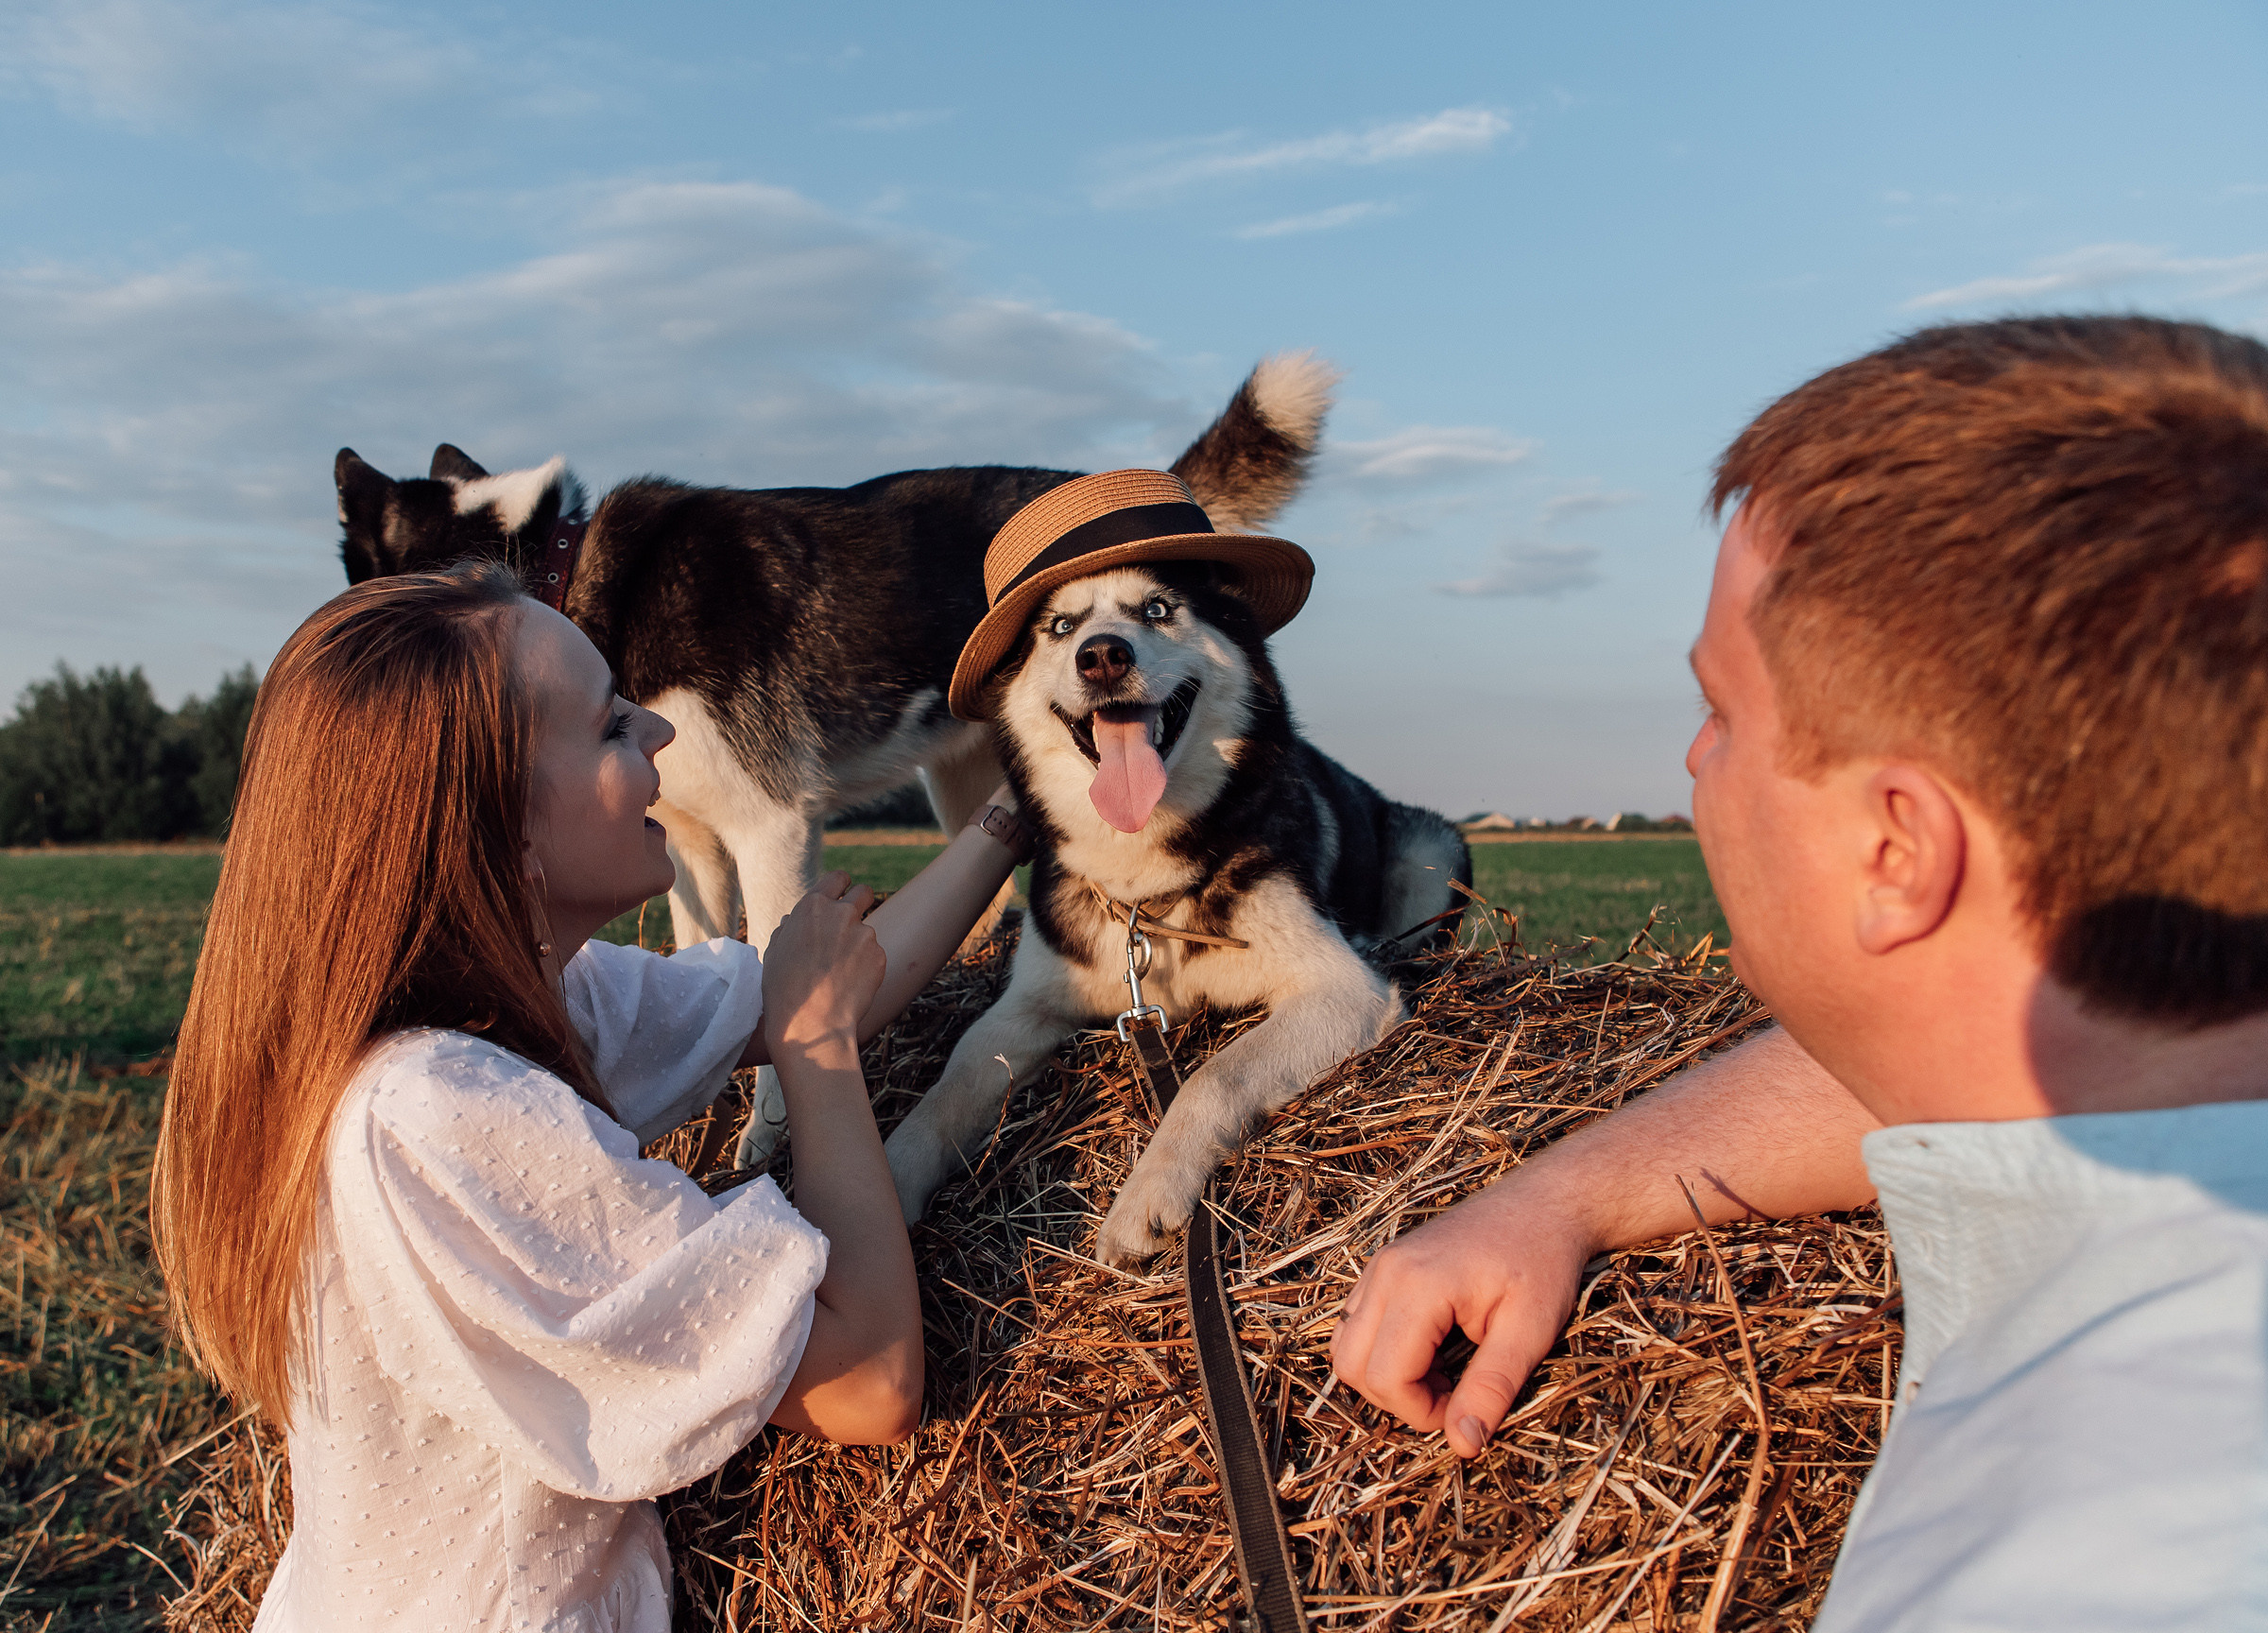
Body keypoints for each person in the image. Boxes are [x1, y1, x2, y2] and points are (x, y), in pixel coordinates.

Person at [1331, 316, 2268, 1629]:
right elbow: (1975, 1030)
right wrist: (1567, 1196)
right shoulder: (2188, 1055)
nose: (1698, 765)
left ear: (1896, 850)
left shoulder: (2084, 1564)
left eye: (1724, 709)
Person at [150, 560, 1036, 1631]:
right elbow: (872, 1383)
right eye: (614, 728)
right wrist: (820, 1053)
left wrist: (1015, 809)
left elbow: (838, 979)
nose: (662, 738)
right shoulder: (436, 1109)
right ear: (505, 828)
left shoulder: (522, 1000)